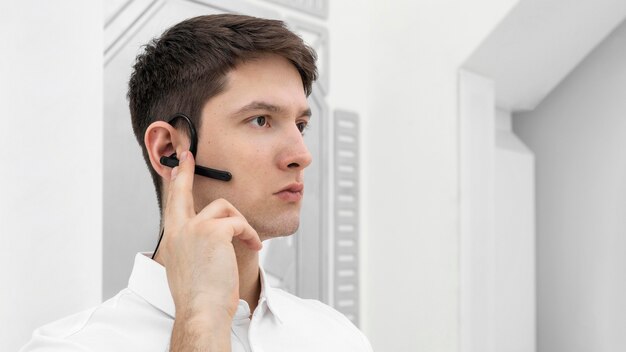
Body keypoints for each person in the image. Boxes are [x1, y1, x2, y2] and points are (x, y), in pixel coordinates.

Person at [20, 14, 372, 352]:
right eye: (261, 120)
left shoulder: (336, 337)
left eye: (300, 125)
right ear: (169, 150)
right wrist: (200, 320)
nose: (301, 154)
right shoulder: (72, 347)